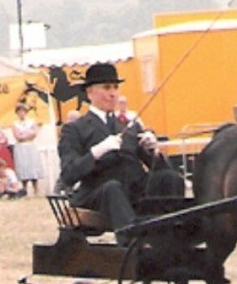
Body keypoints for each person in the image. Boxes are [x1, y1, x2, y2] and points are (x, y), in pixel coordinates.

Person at [58, 62, 184, 246]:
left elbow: (157, 169)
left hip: (133, 192)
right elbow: (69, 174)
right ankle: (132, 244)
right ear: (90, 92)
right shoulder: (75, 129)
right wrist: (96, 152)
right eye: (107, 87)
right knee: (112, 188)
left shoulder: (128, 127)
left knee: (170, 178)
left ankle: (173, 236)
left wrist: (153, 152)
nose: (113, 93)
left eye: (116, 88)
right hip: (98, 195)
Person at [12, 103, 44, 195]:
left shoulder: (31, 121)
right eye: (19, 112)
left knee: (33, 166)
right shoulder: (15, 124)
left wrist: (24, 135)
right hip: (21, 147)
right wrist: (27, 134)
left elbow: (34, 133)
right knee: (23, 166)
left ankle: (36, 189)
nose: (21, 114)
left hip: (30, 146)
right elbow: (17, 136)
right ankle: (24, 189)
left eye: (23, 111)